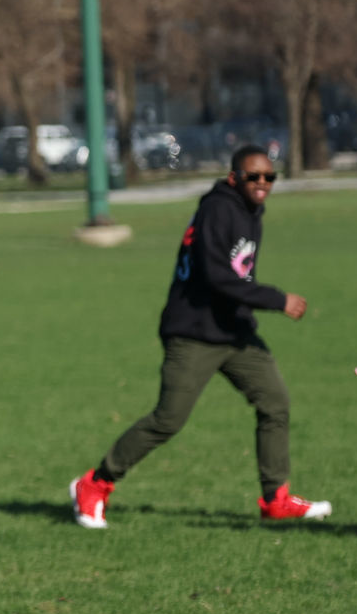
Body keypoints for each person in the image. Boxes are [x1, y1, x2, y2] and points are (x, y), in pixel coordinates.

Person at [70, 144, 330, 528]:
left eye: (269, 177)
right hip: (194, 333)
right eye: (253, 176)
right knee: (168, 419)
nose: (262, 183)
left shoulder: (250, 209)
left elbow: (238, 274)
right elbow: (216, 276)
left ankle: (275, 499)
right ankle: (94, 484)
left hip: (234, 331)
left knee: (275, 403)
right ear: (233, 178)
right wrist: (277, 300)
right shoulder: (218, 209)